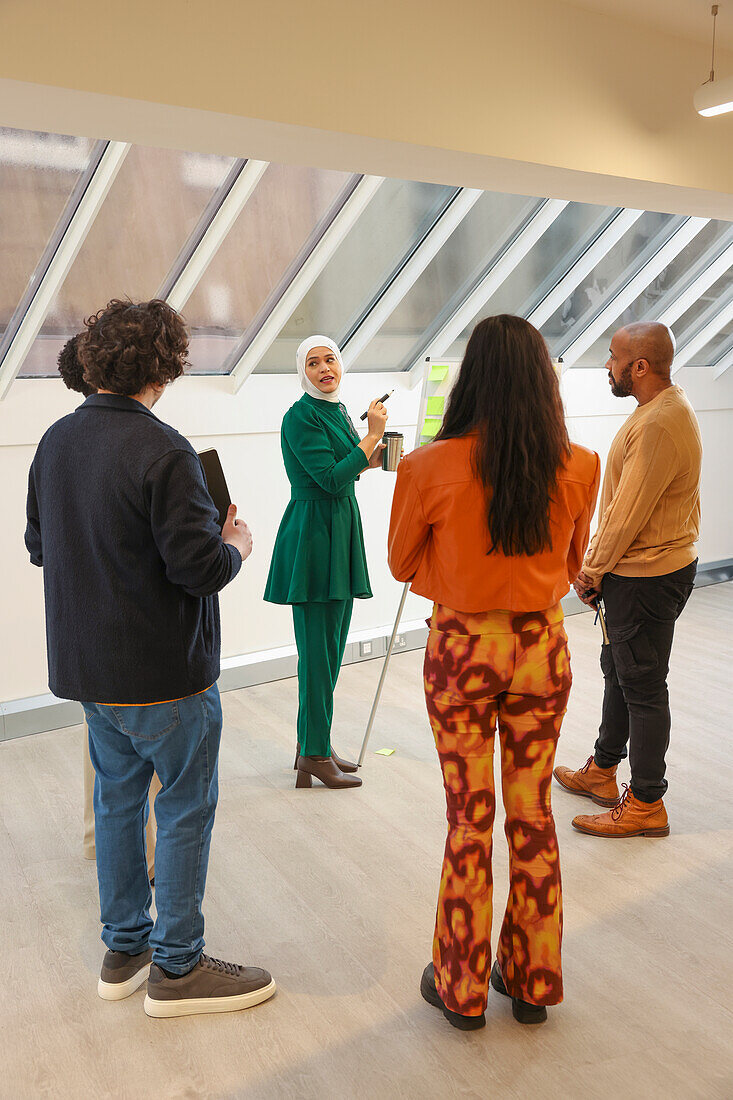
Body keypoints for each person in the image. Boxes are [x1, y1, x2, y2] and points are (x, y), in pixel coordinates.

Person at [26, 299, 275, 1018]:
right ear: (165, 364)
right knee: (186, 812)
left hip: (88, 671)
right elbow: (200, 570)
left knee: (117, 803)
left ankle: (125, 948)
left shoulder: (55, 442)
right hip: (166, 675)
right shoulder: (164, 450)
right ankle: (178, 967)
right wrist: (236, 544)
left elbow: (41, 546)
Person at [388, 315, 600, 1030]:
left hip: (460, 649)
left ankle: (461, 987)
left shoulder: (426, 466)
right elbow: (572, 567)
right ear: (544, 379)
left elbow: (400, 562)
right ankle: (533, 978)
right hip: (543, 647)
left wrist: (459, 577)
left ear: (471, 376)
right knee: (533, 813)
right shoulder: (580, 463)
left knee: (467, 819)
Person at [554, 321, 701, 839]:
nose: (607, 367)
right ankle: (602, 768)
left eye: (614, 357)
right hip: (639, 572)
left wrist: (591, 570)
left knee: (641, 683)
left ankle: (645, 802)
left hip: (645, 576)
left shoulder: (660, 422)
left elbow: (626, 513)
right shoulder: (659, 411)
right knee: (620, 670)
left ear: (639, 366)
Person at [57, 333, 161, 878]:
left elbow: (38, 546)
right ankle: (139, 859)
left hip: (85, 640)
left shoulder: (58, 443)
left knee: (104, 759)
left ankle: (109, 848)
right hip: (138, 646)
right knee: (145, 761)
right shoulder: (149, 446)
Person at [264, 336, 387, 790]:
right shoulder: (299, 417)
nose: (323, 368)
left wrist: (375, 457)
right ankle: (314, 753)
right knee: (318, 654)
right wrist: (371, 436)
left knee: (330, 652)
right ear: (303, 372)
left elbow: (345, 467)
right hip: (314, 535)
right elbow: (331, 479)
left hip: (338, 529)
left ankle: (314, 744)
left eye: (330, 359)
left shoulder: (334, 410)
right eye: (313, 363)